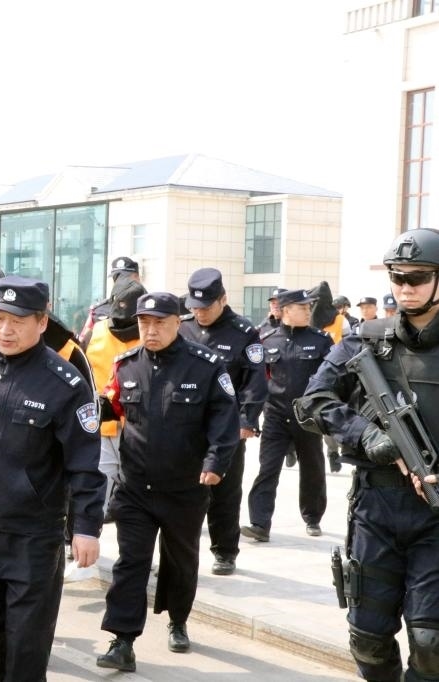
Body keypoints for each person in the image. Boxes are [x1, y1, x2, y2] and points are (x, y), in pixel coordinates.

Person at [295, 228, 439, 682]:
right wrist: (366, 435)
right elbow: (312, 401)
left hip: (435, 516)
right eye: (398, 277)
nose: (406, 287)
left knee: (430, 644)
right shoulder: (364, 341)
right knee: (368, 641)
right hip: (375, 508)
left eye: (418, 277)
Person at [0, 275, 106, 681]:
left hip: (33, 537)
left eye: (17, 321)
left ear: (41, 322)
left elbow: (84, 463)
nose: (5, 329)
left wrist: (86, 527)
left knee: (27, 644)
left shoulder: (65, 383)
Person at [94, 292, 239, 672]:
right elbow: (111, 404)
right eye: (144, 323)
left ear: (178, 322)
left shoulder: (206, 366)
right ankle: (122, 640)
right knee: (131, 562)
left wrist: (215, 463)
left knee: (180, 561)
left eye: (160, 323)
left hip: (185, 488)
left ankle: (177, 620)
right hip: (135, 487)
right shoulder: (126, 365)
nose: (151, 330)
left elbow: (224, 421)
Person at [178, 268, 267, 576]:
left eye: (206, 307)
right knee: (180, 491)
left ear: (223, 300)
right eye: (195, 307)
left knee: (225, 493)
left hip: (226, 428)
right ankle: (177, 553)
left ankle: (225, 551)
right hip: (186, 426)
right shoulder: (182, 328)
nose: (199, 313)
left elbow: (255, 379)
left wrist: (247, 419)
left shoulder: (244, 332)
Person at [241, 288, 333, 543]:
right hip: (276, 417)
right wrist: (249, 418)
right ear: (285, 311)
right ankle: (260, 523)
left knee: (313, 469)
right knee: (267, 469)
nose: (307, 311)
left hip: (308, 417)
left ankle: (313, 517)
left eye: (308, 307)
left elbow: (333, 378)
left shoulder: (321, 340)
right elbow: (256, 382)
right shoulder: (266, 340)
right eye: (302, 307)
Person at [83, 275, 147, 519]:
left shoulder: (151, 335)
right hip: (101, 423)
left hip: (139, 428)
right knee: (97, 488)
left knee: (137, 494)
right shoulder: (94, 333)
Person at [78, 255, 141, 345]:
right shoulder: (99, 311)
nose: (120, 282)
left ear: (137, 278)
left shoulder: (147, 308)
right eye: (116, 278)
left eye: (124, 278)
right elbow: (83, 343)